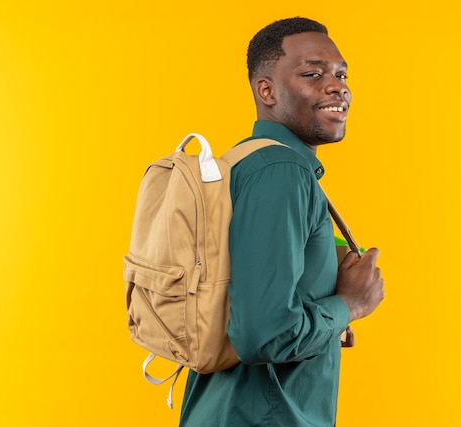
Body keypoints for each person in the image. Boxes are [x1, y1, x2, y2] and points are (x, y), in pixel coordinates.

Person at [179, 17, 385, 427]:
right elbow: (263, 335)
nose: (337, 86)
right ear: (266, 90)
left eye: (341, 74)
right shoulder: (281, 172)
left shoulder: (243, 162)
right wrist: (350, 305)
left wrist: (323, 299)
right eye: (313, 73)